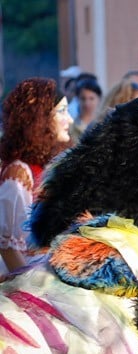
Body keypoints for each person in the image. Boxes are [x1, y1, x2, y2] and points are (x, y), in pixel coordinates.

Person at [0, 78, 73, 272]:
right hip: (22, 282)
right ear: (39, 118)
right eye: (62, 111)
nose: (70, 119)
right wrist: (31, 296)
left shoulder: (46, 166)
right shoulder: (19, 173)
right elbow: (8, 248)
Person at [69, 77, 102, 143]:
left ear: (99, 99)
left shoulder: (103, 123)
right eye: (83, 98)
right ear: (77, 99)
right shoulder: (70, 127)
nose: (87, 103)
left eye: (91, 98)